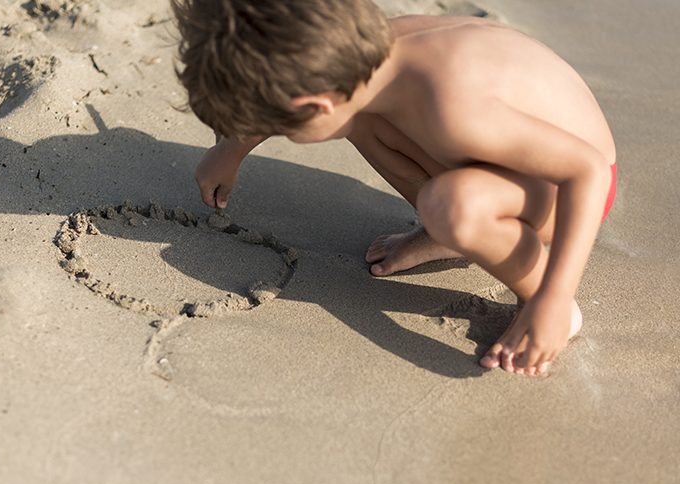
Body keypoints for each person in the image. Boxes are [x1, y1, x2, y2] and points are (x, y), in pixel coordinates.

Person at [170, 0, 617, 376]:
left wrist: (554, 298)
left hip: (566, 187)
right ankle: (451, 232)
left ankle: (539, 294)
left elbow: (588, 170)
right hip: (511, 163)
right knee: (361, 116)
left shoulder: (456, 107)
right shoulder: (367, 55)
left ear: (314, 106)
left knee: (454, 204)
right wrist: (232, 149)